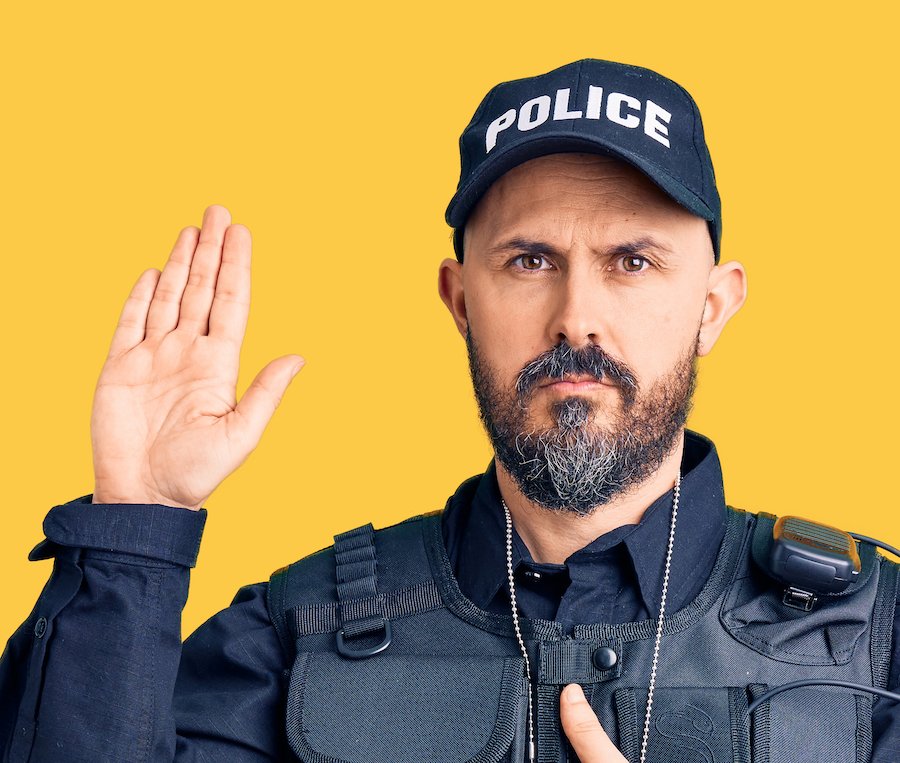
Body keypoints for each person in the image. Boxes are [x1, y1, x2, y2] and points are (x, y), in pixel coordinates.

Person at [1, 58, 897, 763]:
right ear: (460, 298)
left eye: (632, 261)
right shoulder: (292, 636)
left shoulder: (876, 634)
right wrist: (138, 517)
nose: (576, 316)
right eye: (529, 260)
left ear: (713, 304)